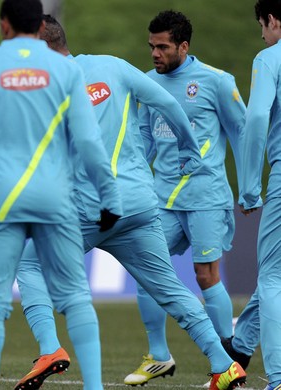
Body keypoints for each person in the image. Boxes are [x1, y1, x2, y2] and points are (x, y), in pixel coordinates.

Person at [14, 14, 247, 390]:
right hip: (139, 204)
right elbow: (169, 104)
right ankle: (225, 365)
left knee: (28, 264)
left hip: (87, 211)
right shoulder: (113, 66)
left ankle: (49, 349)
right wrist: (189, 147)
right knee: (170, 287)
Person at [0, 1, 124, 389]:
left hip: (1, 200)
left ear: (3, 25)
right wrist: (110, 198)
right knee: (74, 296)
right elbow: (88, 141)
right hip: (55, 198)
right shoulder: (67, 69)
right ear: (39, 25)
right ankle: (96, 387)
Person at [130, 9, 247, 385]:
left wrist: (248, 188)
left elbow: (242, 134)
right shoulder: (147, 83)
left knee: (205, 275)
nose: (155, 54)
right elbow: (145, 137)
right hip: (161, 199)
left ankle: (230, 359)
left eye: (163, 47)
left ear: (183, 46)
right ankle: (158, 356)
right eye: (152, 47)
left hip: (206, 196)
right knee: (147, 271)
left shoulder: (216, 81)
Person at [233, 1, 281, 389]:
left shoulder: (269, 58)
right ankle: (239, 350)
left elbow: (257, 117)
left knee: (272, 277)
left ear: (273, 20)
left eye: (261, 25)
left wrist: (249, 188)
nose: (261, 33)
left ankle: (279, 378)